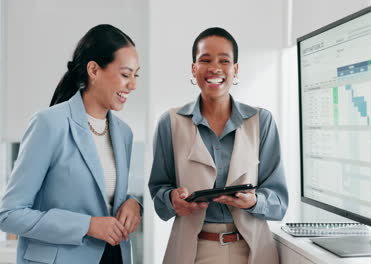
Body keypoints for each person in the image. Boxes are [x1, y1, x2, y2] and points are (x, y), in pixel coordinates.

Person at [0, 24, 141, 264]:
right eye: (125, 75)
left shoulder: (124, 133)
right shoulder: (49, 124)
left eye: (136, 76)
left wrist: (133, 203)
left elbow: (101, 192)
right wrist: (87, 225)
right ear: (94, 70)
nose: (133, 85)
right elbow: (10, 214)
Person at [148, 27, 288, 264]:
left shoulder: (261, 121)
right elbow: (159, 193)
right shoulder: (170, 123)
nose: (215, 68)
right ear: (194, 68)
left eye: (224, 60)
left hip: (252, 251)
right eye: (205, 60)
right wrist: (172, 199)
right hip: (192, 251)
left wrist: (254, 201)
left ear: (235, 69)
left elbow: (279, 202)